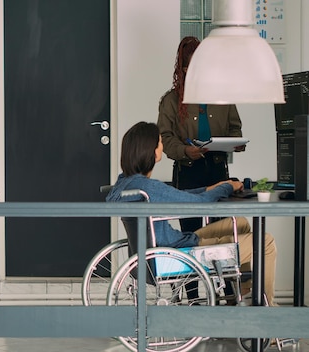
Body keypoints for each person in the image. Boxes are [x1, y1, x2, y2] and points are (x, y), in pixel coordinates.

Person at [106, 121, 277, 305]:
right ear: (152, 150)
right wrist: (227, 186)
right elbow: (198, 204)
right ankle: (268, 313)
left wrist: (212, 187)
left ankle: (243, 292)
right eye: (160, 143)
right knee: (265, 242)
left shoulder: (125, 183)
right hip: (177, 254)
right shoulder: (148, 187)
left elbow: (180, 197)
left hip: (157, 250)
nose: (162, 147)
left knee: (240, 222)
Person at [157, 36, 246, 233]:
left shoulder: (223, 96)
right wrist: (185, 150)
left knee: (221, 233)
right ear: (185, 69)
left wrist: (235, 143)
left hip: (218, 171)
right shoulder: (171, 100)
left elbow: (235, 128)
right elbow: (165, 137)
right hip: (188, 173)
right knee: (193, 233)